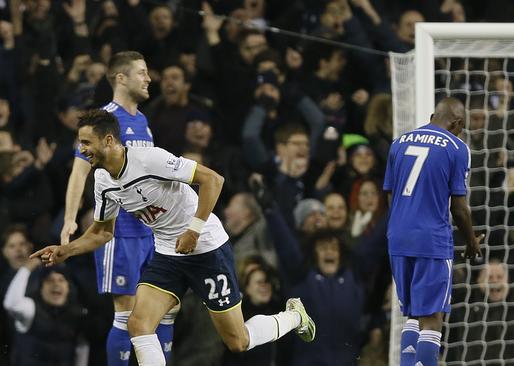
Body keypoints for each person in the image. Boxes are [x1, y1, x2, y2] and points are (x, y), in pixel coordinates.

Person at [33, 109, 315, 365]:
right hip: (168, 254)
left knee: (237, 342)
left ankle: (294, 316)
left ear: (108, 140)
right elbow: (102, 232)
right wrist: (66, 250)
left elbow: (213, 180)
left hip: (207, 249)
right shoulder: (104, 182)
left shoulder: (149, 159)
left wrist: (193, 229)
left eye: (86, 143)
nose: (82, 150)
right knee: (139, 323)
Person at [58, 51, 176, 365]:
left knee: (164, 308)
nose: (148, 78)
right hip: (118, 231)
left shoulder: (143, 121)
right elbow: (79, 172)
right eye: (141, 72)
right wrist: (71, 219)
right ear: (120, 78)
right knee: (126, 310)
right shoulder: (101, 120)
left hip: (150, 231)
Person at [383, 97, 484, 366]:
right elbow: (459, 208)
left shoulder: (399, 143)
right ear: (459, 123)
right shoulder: (457, 147)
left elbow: (391, 195)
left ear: (433, 116)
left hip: (398, 238)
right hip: (431, 240)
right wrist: (472, 241)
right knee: (433, 317)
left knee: (413, 315)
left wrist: (400, 227)